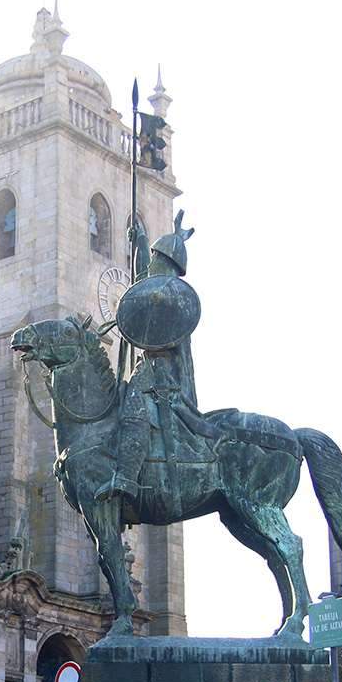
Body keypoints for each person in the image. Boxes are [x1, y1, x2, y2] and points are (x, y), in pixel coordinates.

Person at [94, 210, 229, 504]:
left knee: (133, 403)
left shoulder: (168, 294)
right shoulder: (159, 287)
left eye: (154, 254)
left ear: (162, 259)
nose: (150, 259)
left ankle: (127, 477)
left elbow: (146, 289)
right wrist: (141, 240)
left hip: (161, 371)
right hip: (154, 368)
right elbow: (142, 284)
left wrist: (148, 242)